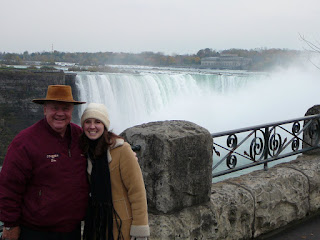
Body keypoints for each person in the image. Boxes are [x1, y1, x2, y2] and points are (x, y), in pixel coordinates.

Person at [0, 85, 89, 240]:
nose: (60, 113)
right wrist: (10, 225)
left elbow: (103, 141)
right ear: (45, 110)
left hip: (72, 230)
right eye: (55, 108)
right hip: (36, 231)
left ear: (72, 111)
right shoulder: (25, 142)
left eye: (66, 108)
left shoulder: (79, 136)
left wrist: (124, 151)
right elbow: (8, 186)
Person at [80, 103, 149, 240]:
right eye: (88, 122)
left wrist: (140, 229)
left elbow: (137, 192)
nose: (92, 126)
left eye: (97, 122)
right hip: (95, 225)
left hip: (121, 225)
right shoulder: (83, 150)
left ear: (104, 125)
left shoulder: (122, 150)